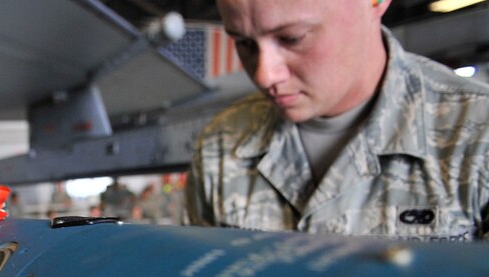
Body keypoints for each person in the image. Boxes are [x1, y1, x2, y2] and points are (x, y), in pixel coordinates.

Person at [186, 0, 489, 240]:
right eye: (245, 44)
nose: (265, 74)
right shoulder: (222, 146)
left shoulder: (477, 135)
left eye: (292, 38)